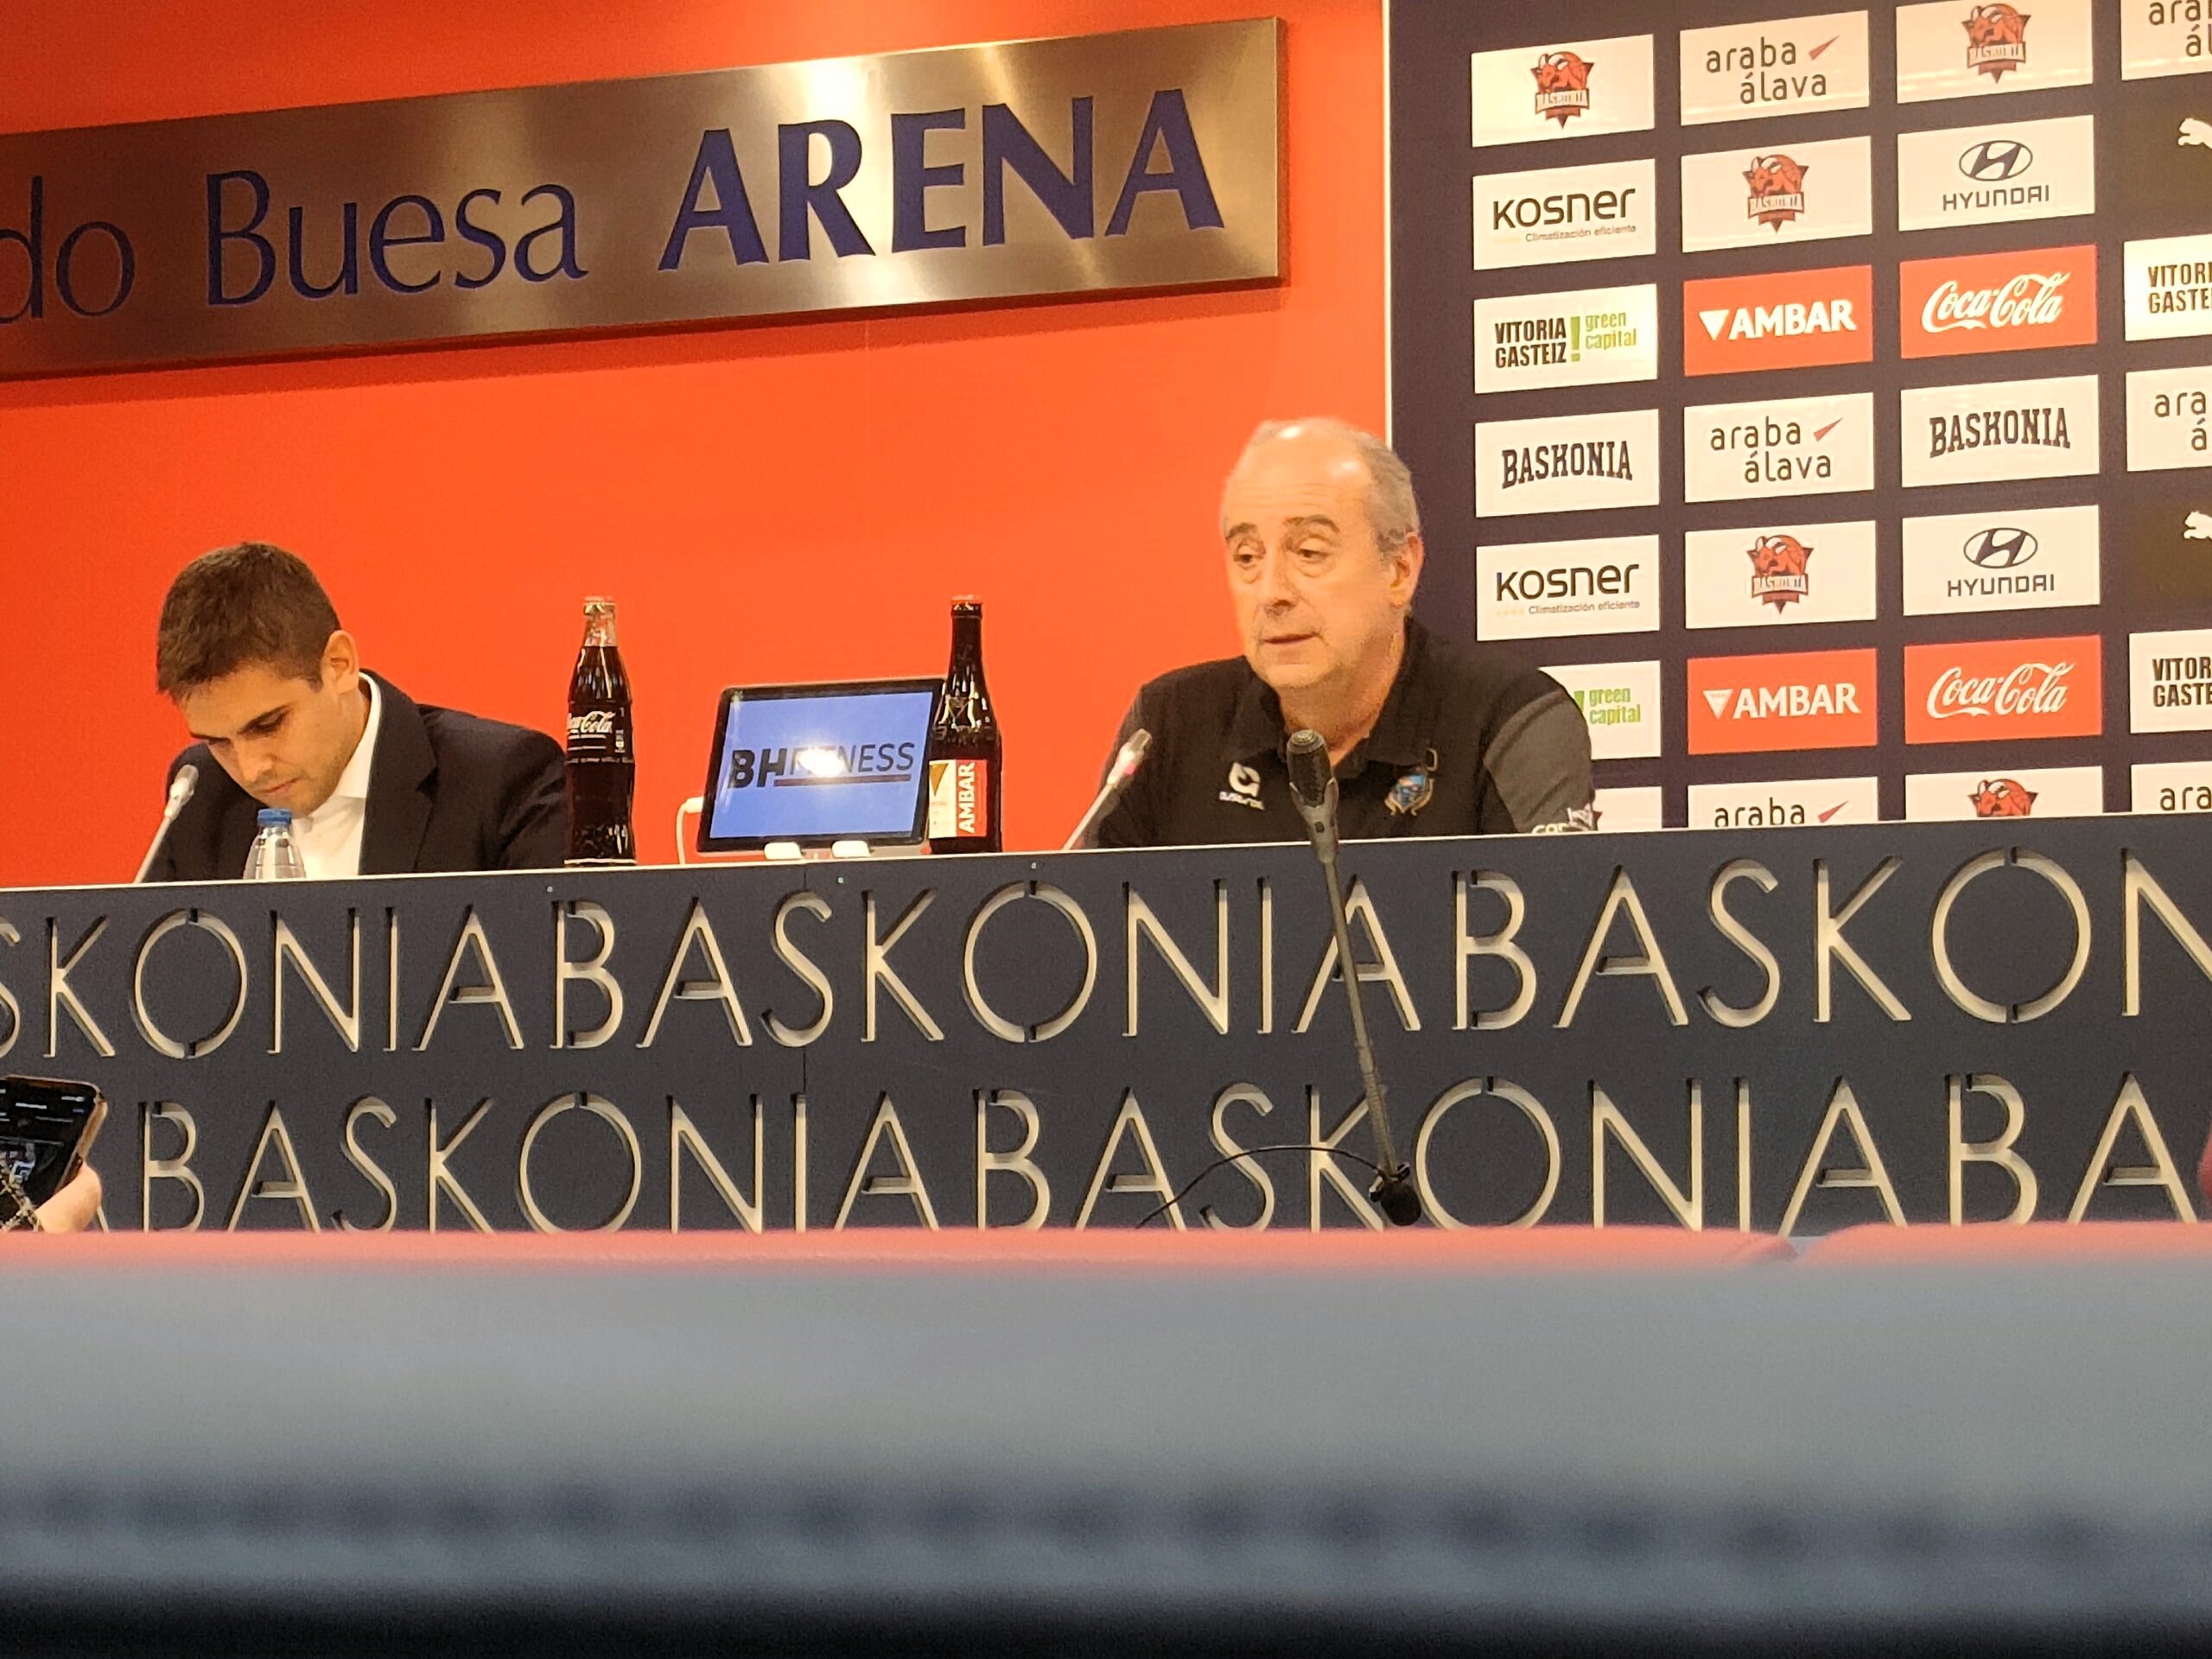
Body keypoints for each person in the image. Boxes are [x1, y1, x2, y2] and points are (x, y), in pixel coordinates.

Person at [1089, 418, 1593, 848]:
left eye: (1309, 552)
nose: (1271, 592)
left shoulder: (1508, 721)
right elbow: (1090, 924)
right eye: (1247, 557)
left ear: (1399, 569)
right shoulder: (1168, 727)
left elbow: (1553, 925)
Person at [144, 543, 567, 881]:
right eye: (218, 741)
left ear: (339, 665)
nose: (252, 770)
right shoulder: (200, 794)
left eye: (269, 725)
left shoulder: (502, 781)